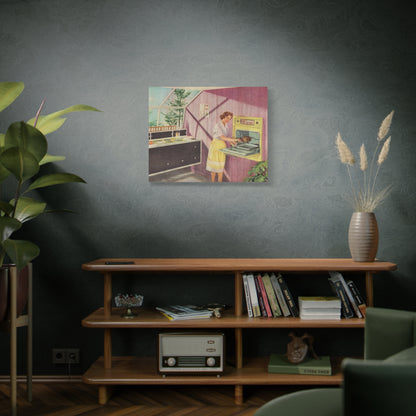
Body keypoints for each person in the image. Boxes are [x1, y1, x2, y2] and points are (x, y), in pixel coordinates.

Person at [206, 111, 238, 182]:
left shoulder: (226, 125)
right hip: (216, 146)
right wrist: (231, 139)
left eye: (230, 119)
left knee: (220, 168)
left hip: (222, 146)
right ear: (223, 116)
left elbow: (224, 138)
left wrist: (231, 141)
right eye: (227, 118)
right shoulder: (218, 125)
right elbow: (222, 137)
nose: (228, 120)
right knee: (214, 168)